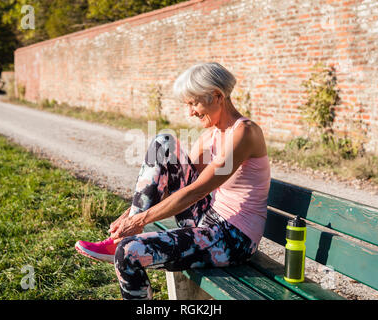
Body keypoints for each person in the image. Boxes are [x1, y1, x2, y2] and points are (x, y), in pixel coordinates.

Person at [75, 62, 271, 300]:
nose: (190, 112)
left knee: (129, 253)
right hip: (207, 219)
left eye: (193, 103)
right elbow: (173, 183)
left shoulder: (245, 133)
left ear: (217, 96)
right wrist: (131, 215)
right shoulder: (211, 134)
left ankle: (122, 242)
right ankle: (122, 238)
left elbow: (196, 191)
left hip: (233, 238)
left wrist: (139, 220)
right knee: (164, 143)